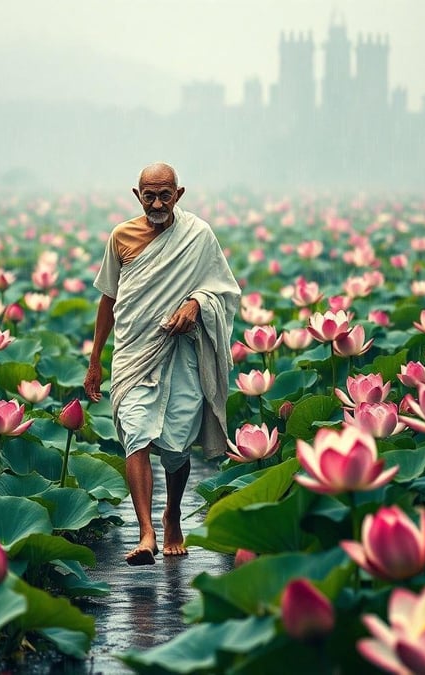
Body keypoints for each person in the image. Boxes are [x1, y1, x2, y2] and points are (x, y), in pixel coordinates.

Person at [84, 162, 240, 566]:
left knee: (175, 445)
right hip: (135, 352)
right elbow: (109, 300)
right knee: (135, 433)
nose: (156, 203)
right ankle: (146, 531)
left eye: (164, 195)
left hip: (181, 353)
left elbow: (223, 292)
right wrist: (95, 359)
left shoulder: (198, 236)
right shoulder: (120, 237)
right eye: (148, 196)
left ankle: (172, 514)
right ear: (137, 196)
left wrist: (195, 303)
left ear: (179, 194)